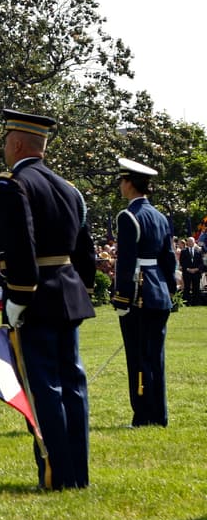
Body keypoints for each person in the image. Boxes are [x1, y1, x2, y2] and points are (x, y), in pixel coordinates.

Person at [0, 109, 96, 490]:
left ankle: (56, 474)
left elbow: (21, 246)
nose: (4, 148)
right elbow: (85, 250)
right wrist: (80, 288)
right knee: (74, 385)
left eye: (6, 141)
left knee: (43, 388)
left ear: (17, 143)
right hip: (68, 294)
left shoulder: (12, 185)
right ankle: (78, 474)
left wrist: (18, 298)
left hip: (35, 298)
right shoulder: (68, 188)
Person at [112, 157, 175, 428]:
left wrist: (121, 298)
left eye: (122, 181)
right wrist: (169, 291)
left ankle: (143, 416)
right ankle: (159, 414)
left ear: (129, 184)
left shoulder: (128, 216)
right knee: (155, 357)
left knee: (138, 358)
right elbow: (169, 259)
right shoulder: (160, 217)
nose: (120, 186)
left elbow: (125, 262)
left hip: (139, 293)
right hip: (158, 292)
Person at [177, 236, 202, 306]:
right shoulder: (183, 251)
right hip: (187, 272)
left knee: (196, 288)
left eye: (191, 241)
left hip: (196, 273)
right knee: (187, 288)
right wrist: (188, 269)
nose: (190, 242)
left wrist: (196, 269)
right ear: (187, 242)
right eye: (189, 241)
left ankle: (196, 303)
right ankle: (186, 303)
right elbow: (182, 262)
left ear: (194, 242)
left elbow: (201, 262)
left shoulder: (198, 251)